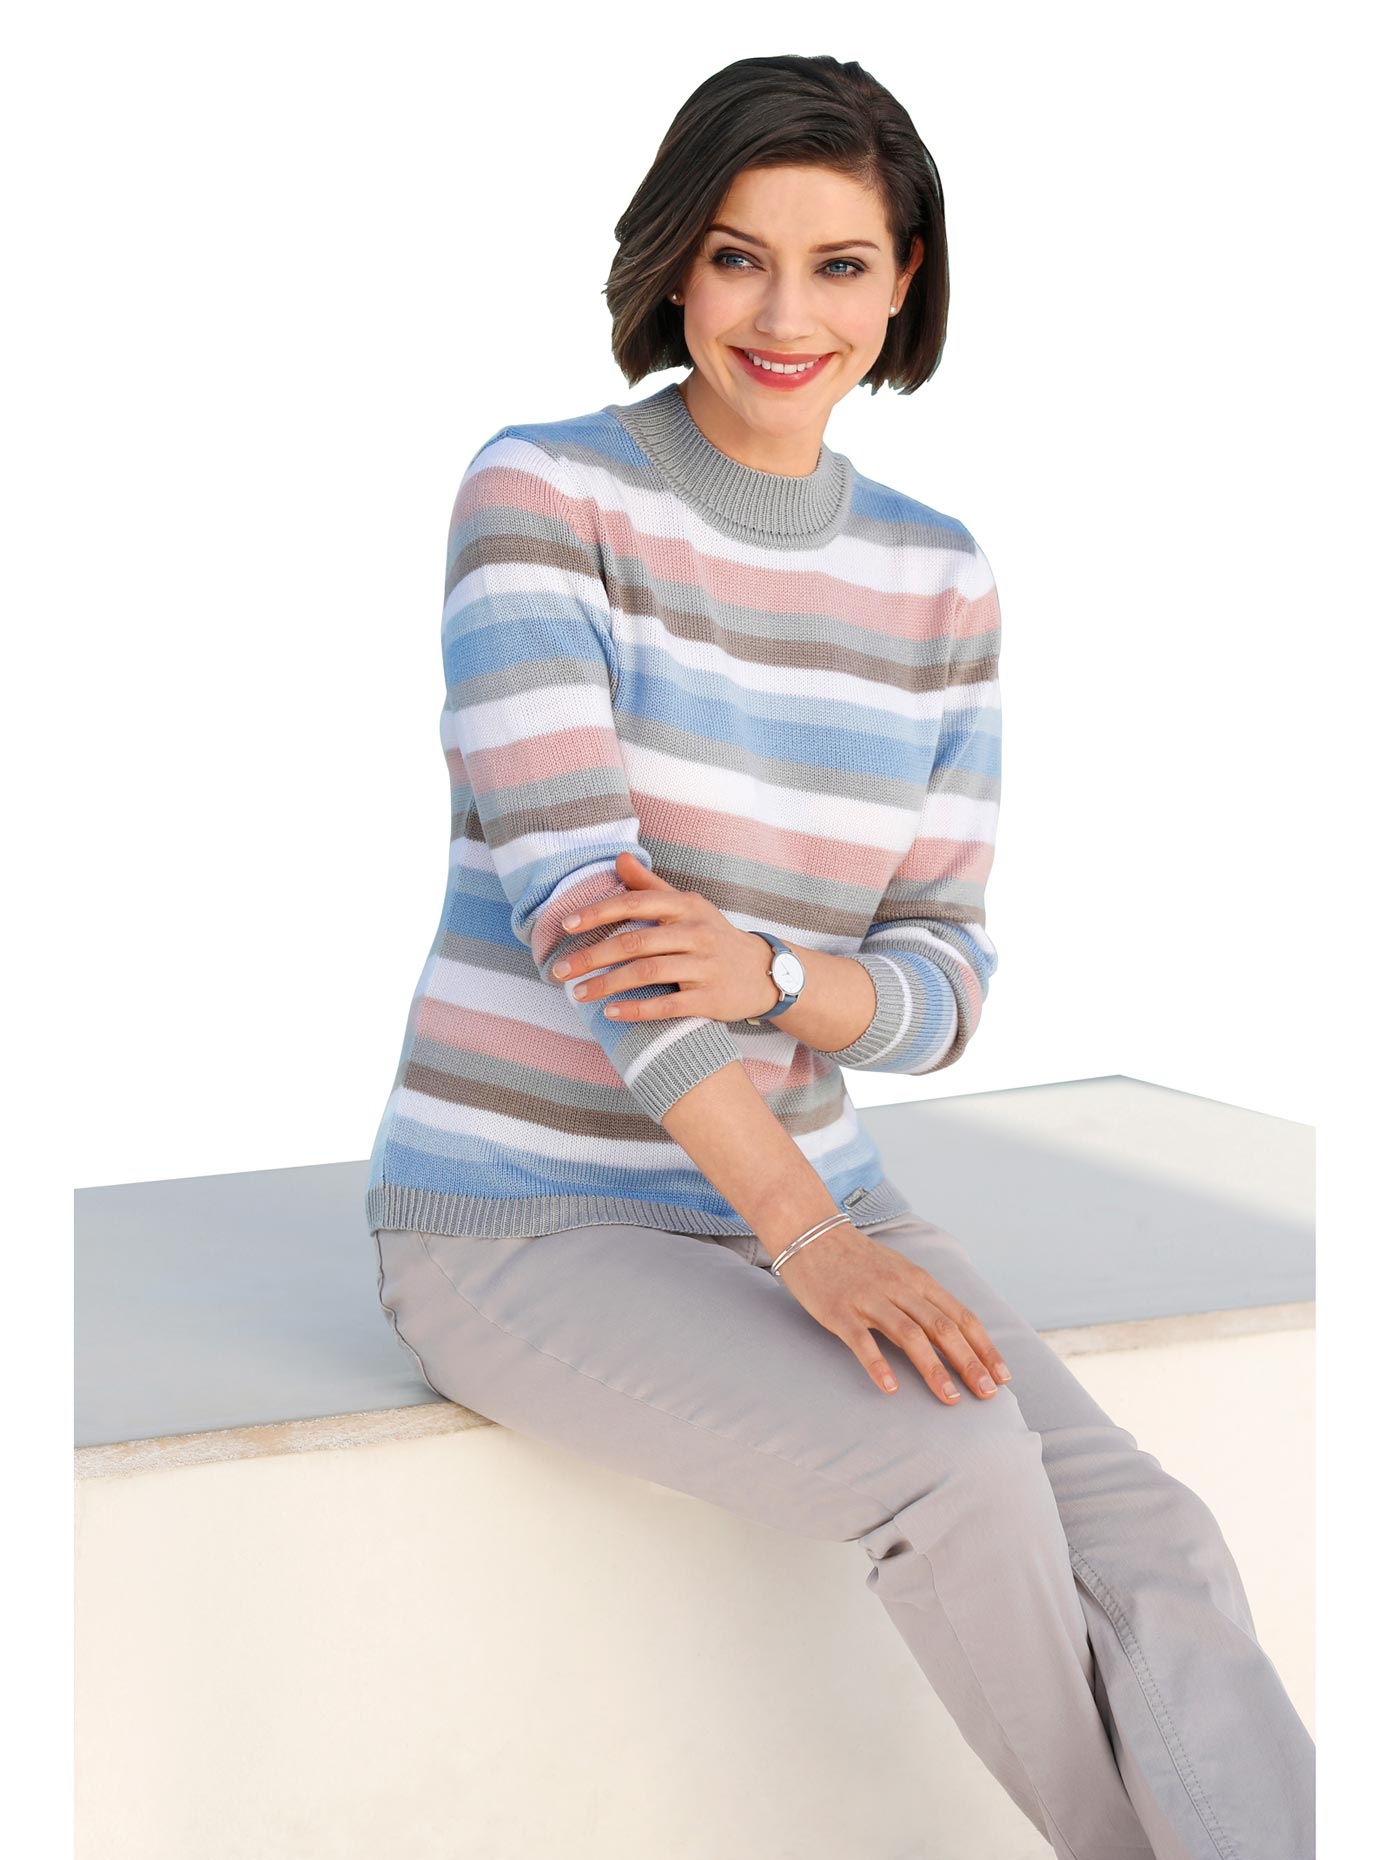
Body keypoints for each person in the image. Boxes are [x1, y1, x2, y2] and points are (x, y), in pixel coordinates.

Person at [363, 52, 1314, 1860]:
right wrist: (804, 1234)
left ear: (904, 283)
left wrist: (774, 986)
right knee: (952, 1472)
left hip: (814, 1190)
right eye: (737, 258)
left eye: (839, 265)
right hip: (520, 1222)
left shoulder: (936, 578)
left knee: (1156, 1541)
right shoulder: (544, 493)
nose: (783, 316)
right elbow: (592, 928)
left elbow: (943, 983)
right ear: (672, 264)